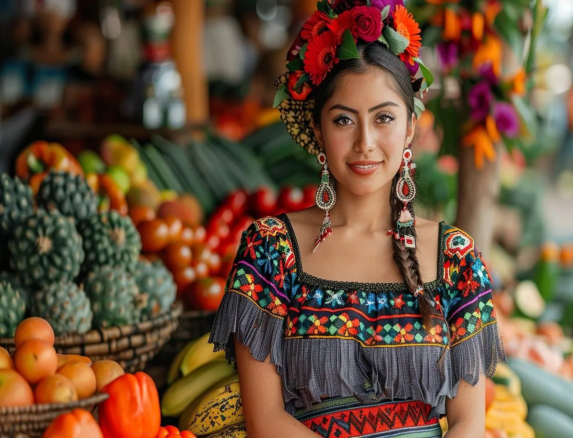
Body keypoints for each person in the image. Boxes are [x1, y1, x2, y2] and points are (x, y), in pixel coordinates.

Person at [209, 1, 506, 436]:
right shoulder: (270, 249)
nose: (365, 142)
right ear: (317, 130)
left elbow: (467, 423)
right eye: (344, 119)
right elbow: (266, 421)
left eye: (384, 117)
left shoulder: (455, 257)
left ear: (408, 128)